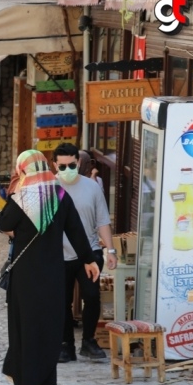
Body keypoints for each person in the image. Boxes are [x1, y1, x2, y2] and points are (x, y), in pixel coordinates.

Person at [0, 150, 99, 385]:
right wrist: (89, 260)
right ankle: (44, 382)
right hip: (53, 272)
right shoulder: (60, 195)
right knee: (48, 326)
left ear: (23, 170)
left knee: (26, 325)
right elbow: (76, 231)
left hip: (26, 276)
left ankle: (32, 384)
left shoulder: (22, 197)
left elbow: (2, 223)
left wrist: (14, 191)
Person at [53, 144, 117, 362]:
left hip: (90, 252)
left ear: (78, 163)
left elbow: (103, 222)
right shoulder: (50, 187)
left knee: (91, 296)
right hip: (59, 255)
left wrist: (111, 250)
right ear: (55, 165)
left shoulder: (92, 187)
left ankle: (88, 340)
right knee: (61, 301)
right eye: (63, 166)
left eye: (72, 165)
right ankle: (66, 345)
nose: (68, 169)